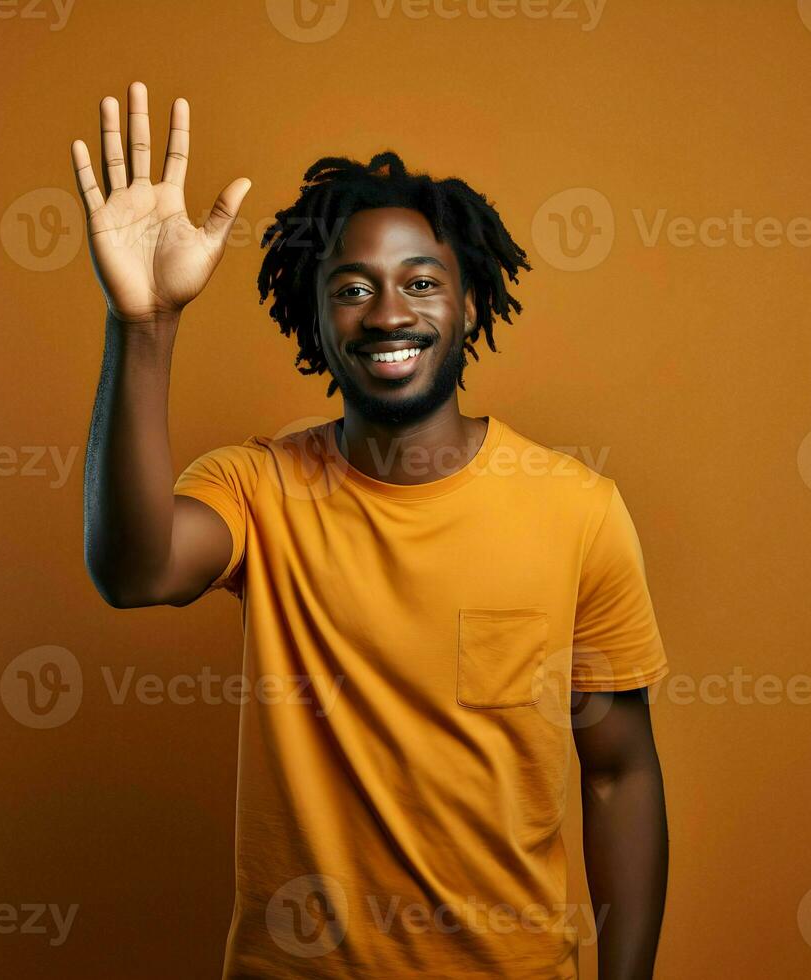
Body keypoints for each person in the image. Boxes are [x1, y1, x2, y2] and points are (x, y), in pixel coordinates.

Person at [71, 80, 671, 980]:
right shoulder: (258, 487)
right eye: (353, 288)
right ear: (314, 320)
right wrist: (143, 325)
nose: (390, 313)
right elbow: (135, 569)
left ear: (470, 307)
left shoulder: (577, 510)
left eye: (421, 283)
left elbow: (619, 774)